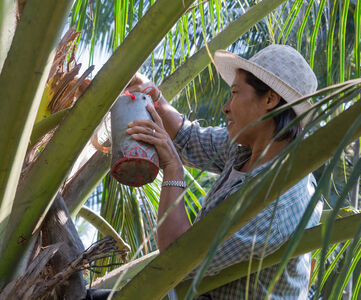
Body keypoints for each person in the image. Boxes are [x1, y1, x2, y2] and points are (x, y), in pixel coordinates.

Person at [125, 44, 323, 299]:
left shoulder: (277, 202)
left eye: (235, 93)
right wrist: (153, 96)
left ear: (270, 99)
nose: (225, 107)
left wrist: (173, 169)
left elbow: (179, 259)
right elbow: (189, 138)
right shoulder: (248, 149)